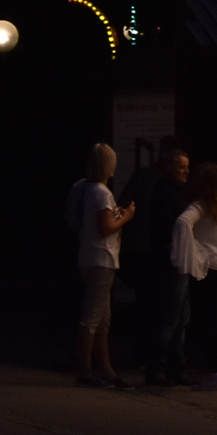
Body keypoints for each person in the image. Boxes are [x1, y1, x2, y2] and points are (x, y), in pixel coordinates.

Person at [66, 143, 136, 387]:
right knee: (93, 316)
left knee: (103, 316)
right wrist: (126, 216)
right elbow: (105, 227)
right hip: (102, 258)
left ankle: (106, 370)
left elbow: (84, 221)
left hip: (87, 256)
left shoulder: (81, 187)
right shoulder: (102, 192)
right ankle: (85, 370)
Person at [171, 162, 217, 392]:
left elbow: (182, 222)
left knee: (207, 323)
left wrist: (189, 252)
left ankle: (214, 373)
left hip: (210, 271)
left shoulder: (201, 206)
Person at [131, 144, 191, 385]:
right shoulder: (164, 193)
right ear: (167, 167)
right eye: (181, 167)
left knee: (181, 318)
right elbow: (166, 230)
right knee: (168, 319)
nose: (186, 172)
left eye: (187, 167)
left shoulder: (179, 191)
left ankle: (176, 368)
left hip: (180, 262)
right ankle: (157, 369)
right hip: (170, 263)